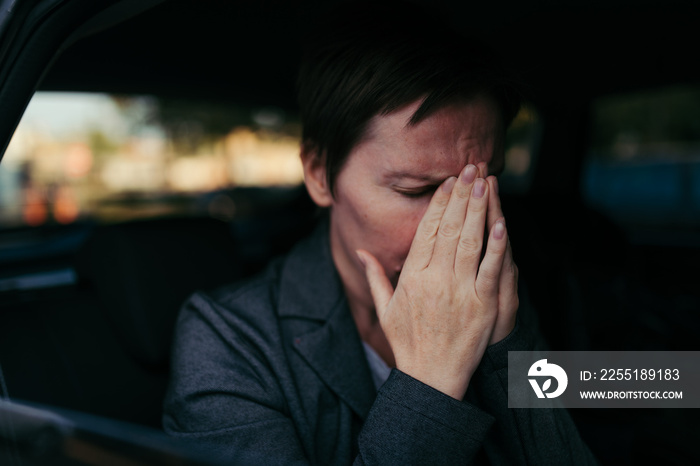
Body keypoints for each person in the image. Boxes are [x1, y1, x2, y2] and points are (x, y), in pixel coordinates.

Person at [163, 1, 598, 464]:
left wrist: (504, 350)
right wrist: (429, 382)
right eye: (414, 190)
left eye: (480, 189)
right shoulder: (229, 340)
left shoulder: (493, 291)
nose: (456, 227)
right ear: (318, 173)